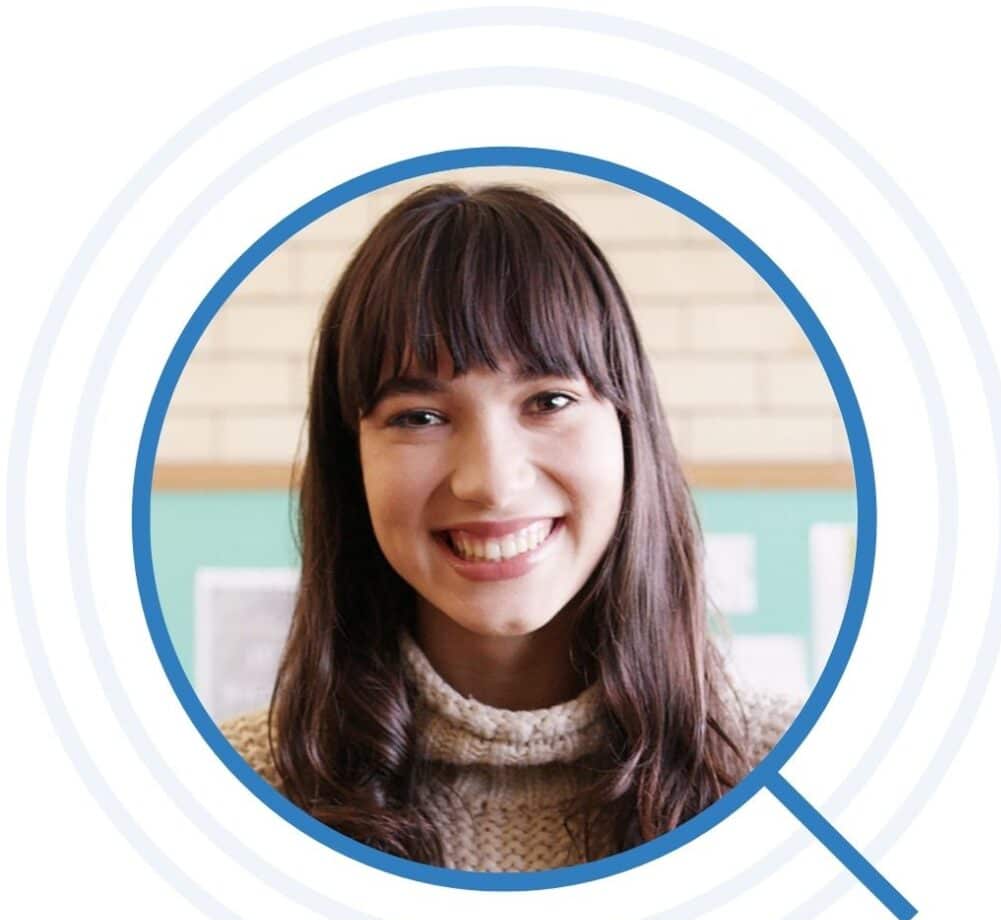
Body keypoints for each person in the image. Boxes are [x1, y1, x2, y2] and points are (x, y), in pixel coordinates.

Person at [221, 181, 799, 873]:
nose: (491, 482)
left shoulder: (790, 777)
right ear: (353, 466)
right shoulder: (235, 794)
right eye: (418, 417)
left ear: (627, 431)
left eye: (548, 400)